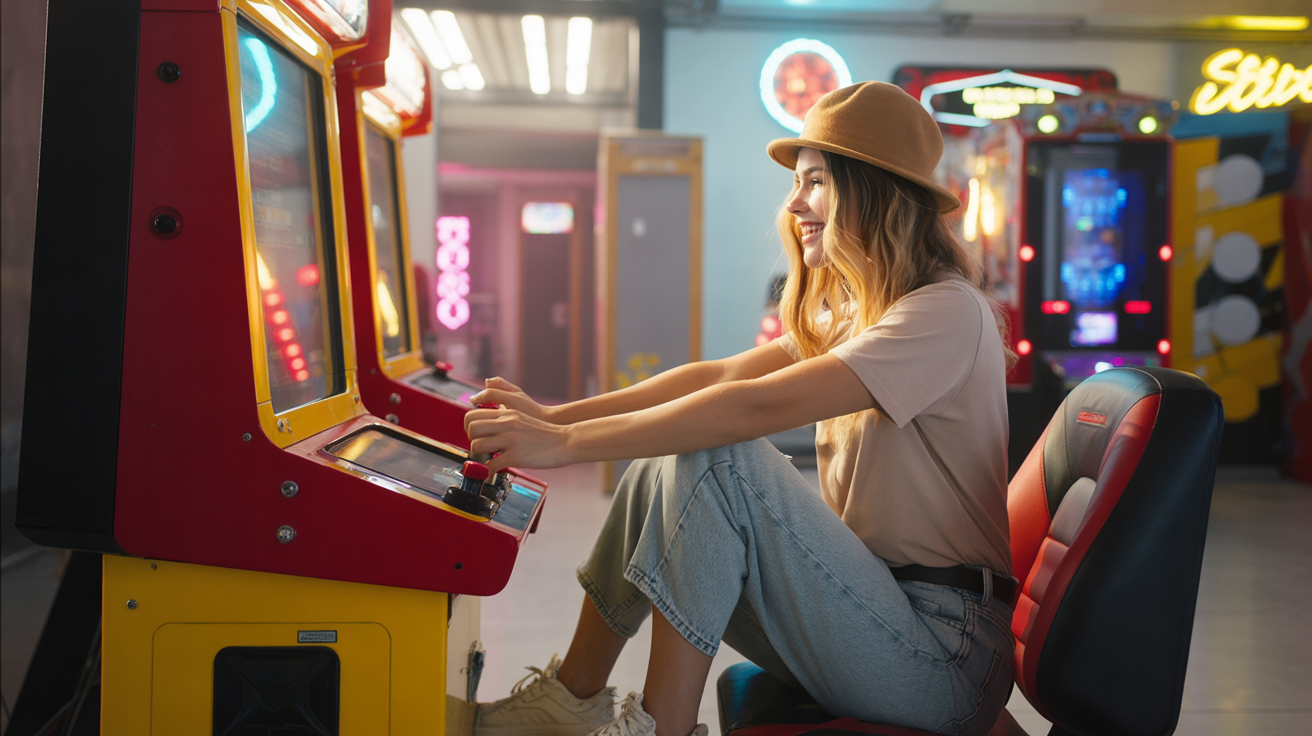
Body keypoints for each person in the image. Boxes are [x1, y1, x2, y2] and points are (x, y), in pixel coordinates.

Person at [464, 82, 1017, 736]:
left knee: (721, 458)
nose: (794, 203)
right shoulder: (861, 313)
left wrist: (562, 448)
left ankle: (659, 725)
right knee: (660, 467)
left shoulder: (944, 311)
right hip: (879, 605)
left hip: (943, 653)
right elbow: (720, 374)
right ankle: (570, 697)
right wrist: (554, 419)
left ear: (870, 188)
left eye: (815, 181)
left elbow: (750, 406)